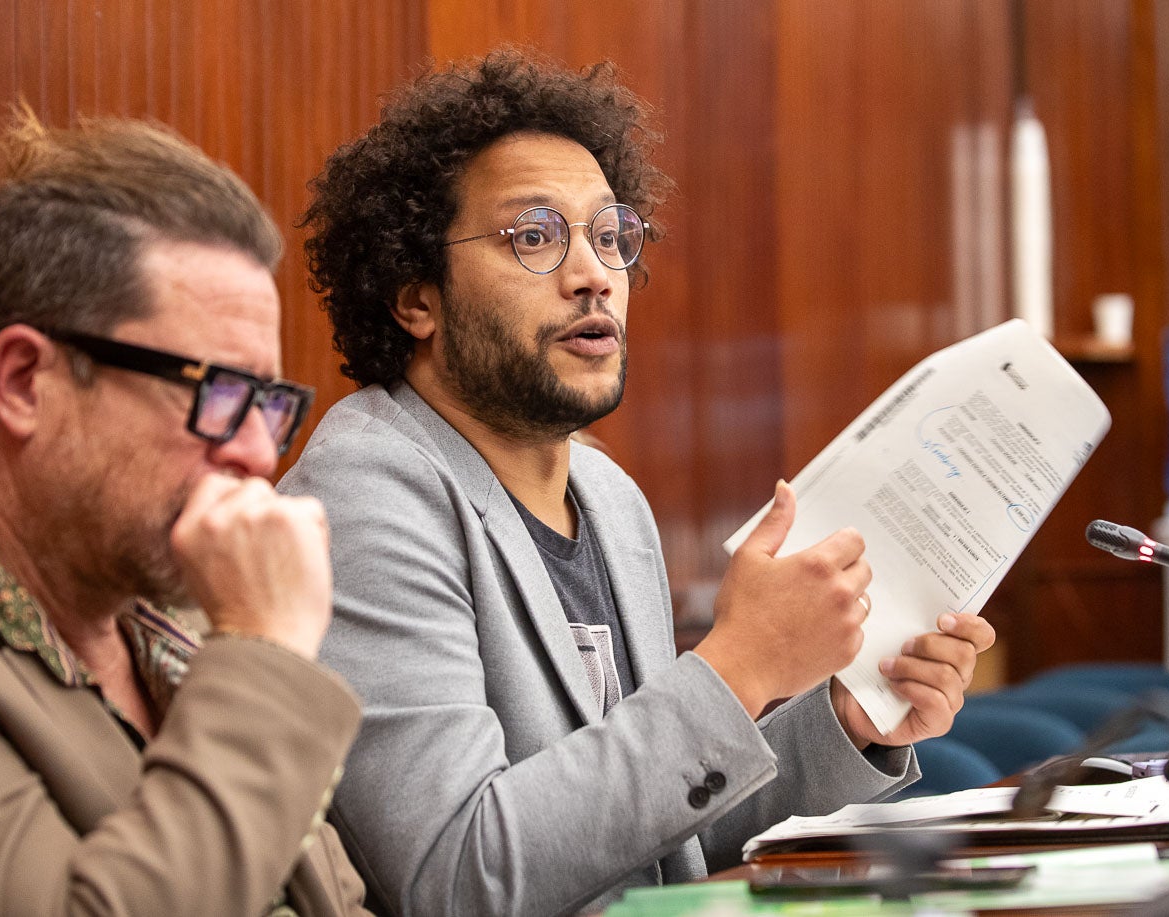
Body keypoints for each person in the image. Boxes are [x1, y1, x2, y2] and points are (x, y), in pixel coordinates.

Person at [283, 49, 996, 916]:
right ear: (414, 297)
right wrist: (736, 669)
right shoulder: (361, 496)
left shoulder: (611, 497)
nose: (592, 275)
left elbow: (664, 849)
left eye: (609, 234)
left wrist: (848, 722)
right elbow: (456, 874)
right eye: (534, 237)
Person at [0, 110, 371, 916]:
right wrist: (266, 653)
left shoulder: (178, 621)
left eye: (266, 402)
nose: (257, 456)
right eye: (215, 393)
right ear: (26, 381)